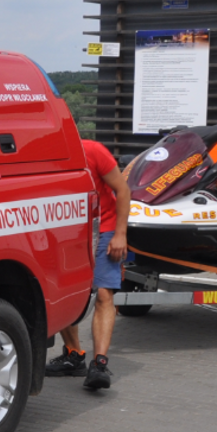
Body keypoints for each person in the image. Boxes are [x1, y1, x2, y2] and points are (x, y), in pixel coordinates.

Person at [45, 138, 131, 390]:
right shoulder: (44, 154)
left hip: (104, 228)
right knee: (62, 293)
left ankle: (99, 364)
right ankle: (74, 356)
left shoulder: (92, 151)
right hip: (69, 233)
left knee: (103, 294)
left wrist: (120, 234)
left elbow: (123, 190)